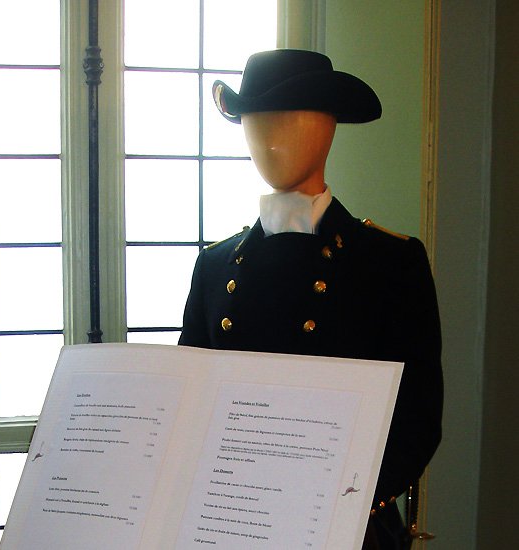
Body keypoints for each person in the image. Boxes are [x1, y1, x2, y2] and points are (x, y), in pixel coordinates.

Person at [179, 49, 443, 550]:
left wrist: (332, 505)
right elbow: (191, 403)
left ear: (328, 126)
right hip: (228, 523)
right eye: (256, 120)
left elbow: (416, 418)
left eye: (288, 117)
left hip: (341, 527)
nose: (269, 137)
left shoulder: (389, 261)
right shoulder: (214, 266)